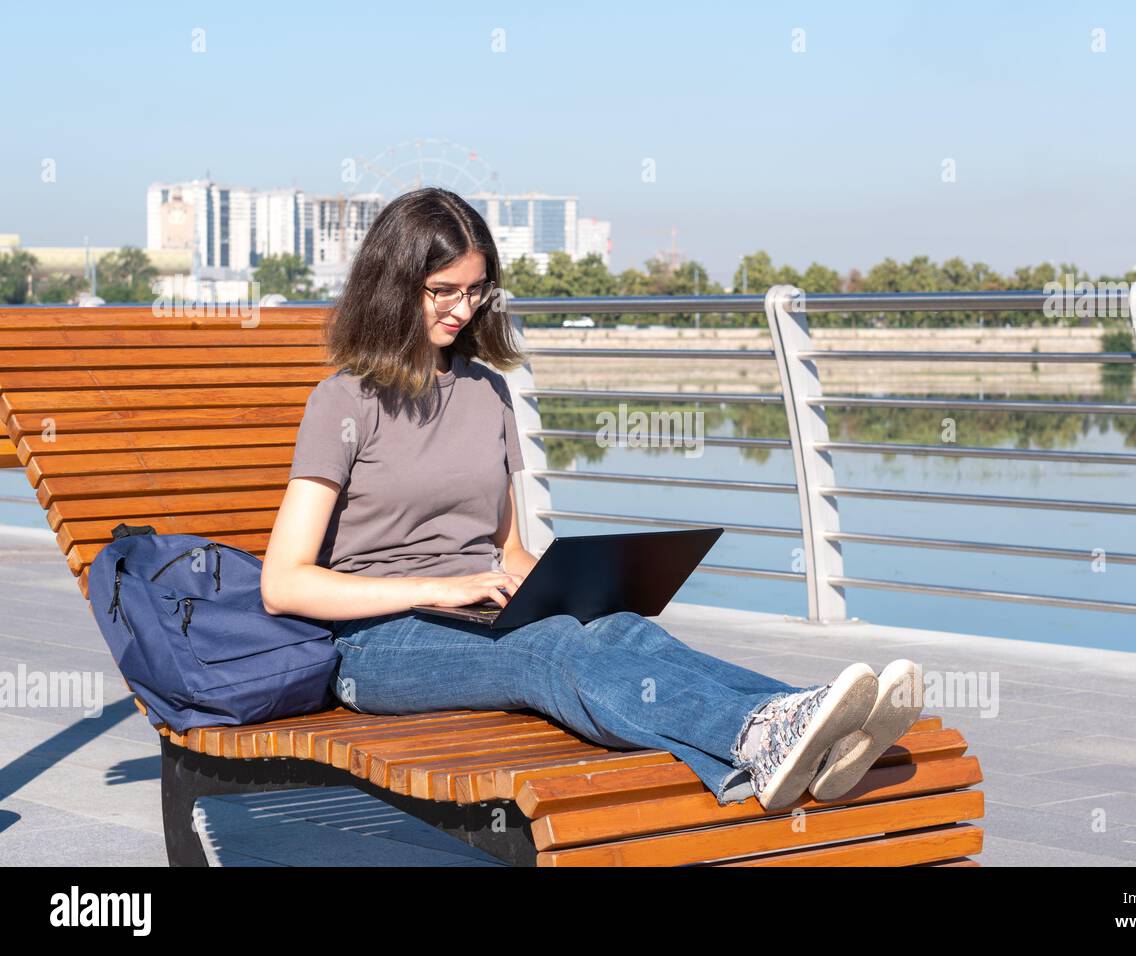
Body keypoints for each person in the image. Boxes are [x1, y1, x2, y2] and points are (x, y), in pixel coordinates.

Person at [260, 187, 923, 811]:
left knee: (618, 629)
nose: (462, 310)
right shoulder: (345, 403)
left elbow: (507, 551)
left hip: (479, 614)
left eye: (474, 291)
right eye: (442, 292)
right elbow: (285, 585)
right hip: (377, 645)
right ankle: (756, 735)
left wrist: (578, 587)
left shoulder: (487, 391)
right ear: (394, 286)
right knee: (549, 649)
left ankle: (809, 718)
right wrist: (440, 588)